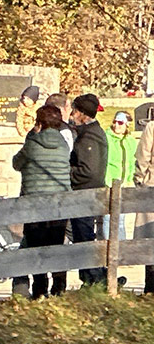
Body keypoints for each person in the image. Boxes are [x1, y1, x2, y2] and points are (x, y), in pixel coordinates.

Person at [11, 104, 72, 299]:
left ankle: (39, 290)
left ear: (39, 123)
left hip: (35, 203)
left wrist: (32, 135)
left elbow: (16, 163)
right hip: (59, 203)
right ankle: (59, 287)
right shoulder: (63, 144)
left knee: (36, 246)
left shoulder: (32, 144)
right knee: (56, 244)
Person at [68, 94, 109, 287]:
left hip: (86, 193)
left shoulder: (89, 136)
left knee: (84, 237)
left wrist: (67, 172)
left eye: (75, 111)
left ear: (83, 114)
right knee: (81, 235)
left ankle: (96, 278)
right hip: (89, 192)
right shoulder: (90, 133)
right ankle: (91, 278)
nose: (72, 114)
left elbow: (89, 171)